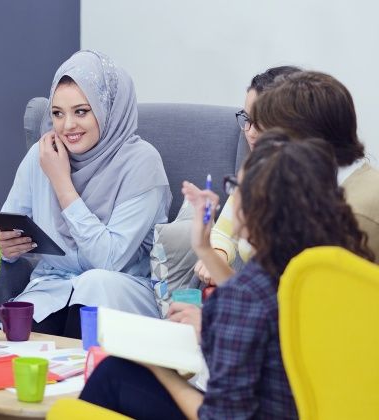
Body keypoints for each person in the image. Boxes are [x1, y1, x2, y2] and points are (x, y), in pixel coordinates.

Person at [79, 131, 374, 419]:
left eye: (237, 187)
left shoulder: (247, 292)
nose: (232, 197)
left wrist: (159, 370)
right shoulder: (329, 269)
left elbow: (220, 414)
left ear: (258, 206)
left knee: (113, 374)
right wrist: (204, 249)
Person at [0, 50, 171, 337]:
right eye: (57, 114)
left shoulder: (142, 163)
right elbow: (8, 224)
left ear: (108, 109)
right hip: (53, 285)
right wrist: (3, 246)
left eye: (81, 111)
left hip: (119, 289)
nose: (67, 126)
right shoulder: (42, 154)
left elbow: (109, 260)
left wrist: (62, 183)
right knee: (21, 341)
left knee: (94, 284)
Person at [252, 71, 379, 260]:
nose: (265, 147)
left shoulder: (353, 216)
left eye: (273, 137)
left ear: (305, 139)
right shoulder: (324, 189)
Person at [192, 65, 302, 284]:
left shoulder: (304, 194)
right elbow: (224, 232)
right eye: (246, 118)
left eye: (260, 122)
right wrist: (217, 253)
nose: (249, 132)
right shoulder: (255, 171)